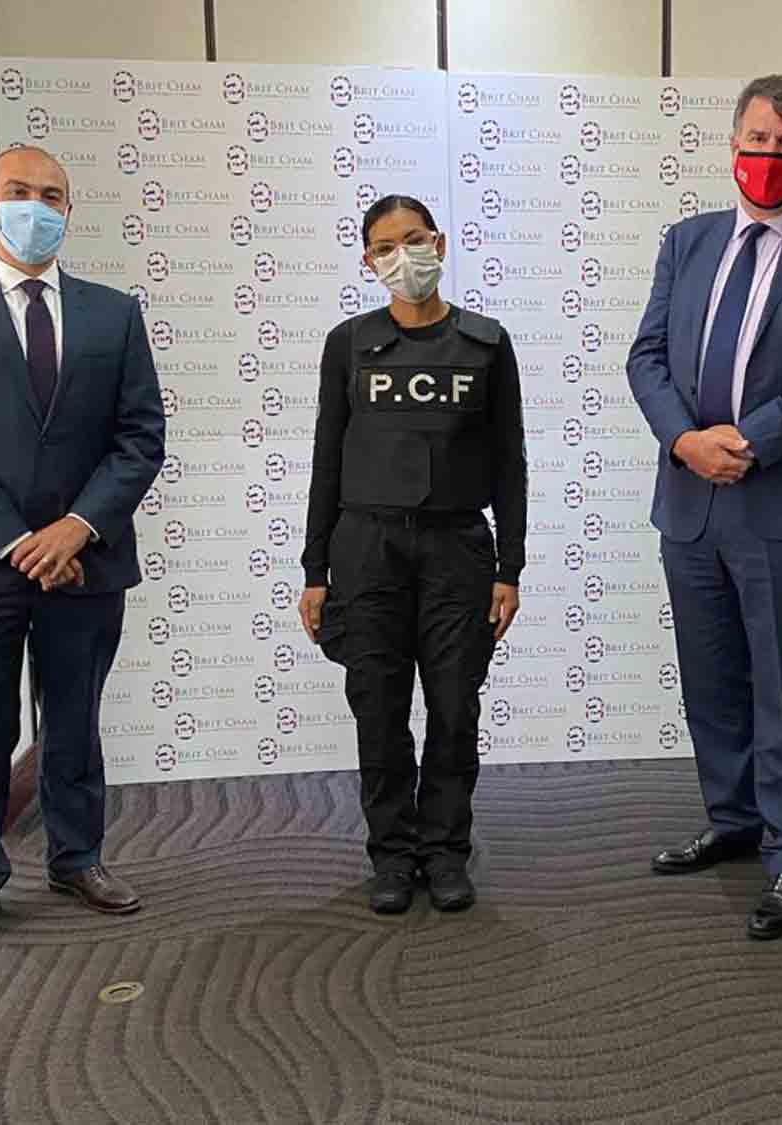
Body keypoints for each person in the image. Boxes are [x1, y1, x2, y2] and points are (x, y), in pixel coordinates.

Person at [0, 146, 166, 962]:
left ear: (69, 210)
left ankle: (77, 858)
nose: (36, 206)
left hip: (87, 564)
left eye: (52, 195)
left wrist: (76, 527)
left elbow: (140, 436)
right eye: (19, 191)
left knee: (74, 725)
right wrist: (20, 542)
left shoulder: (114, 314)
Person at [626, 75, 782, 940]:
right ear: (733, 142)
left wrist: (751, 439)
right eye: (759, 140)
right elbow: (647, 355)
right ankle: (732, 819)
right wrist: (685, 441)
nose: (771, 157)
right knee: (712, 680)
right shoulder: (687, 240)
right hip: (690, 499)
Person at [300, 195, 526, 916]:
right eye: (385, 246)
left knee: (455, 706)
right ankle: (393, 855)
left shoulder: (487, 344)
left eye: (415, 239)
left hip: (458, 548)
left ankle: (446, 851)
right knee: (379, 708)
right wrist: (313, 571)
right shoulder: (348, 343)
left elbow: (510, 462)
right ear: (368, 261)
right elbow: (327, 459)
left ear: (441, 243)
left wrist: (510, 568)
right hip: (367, 549)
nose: (404, 257)